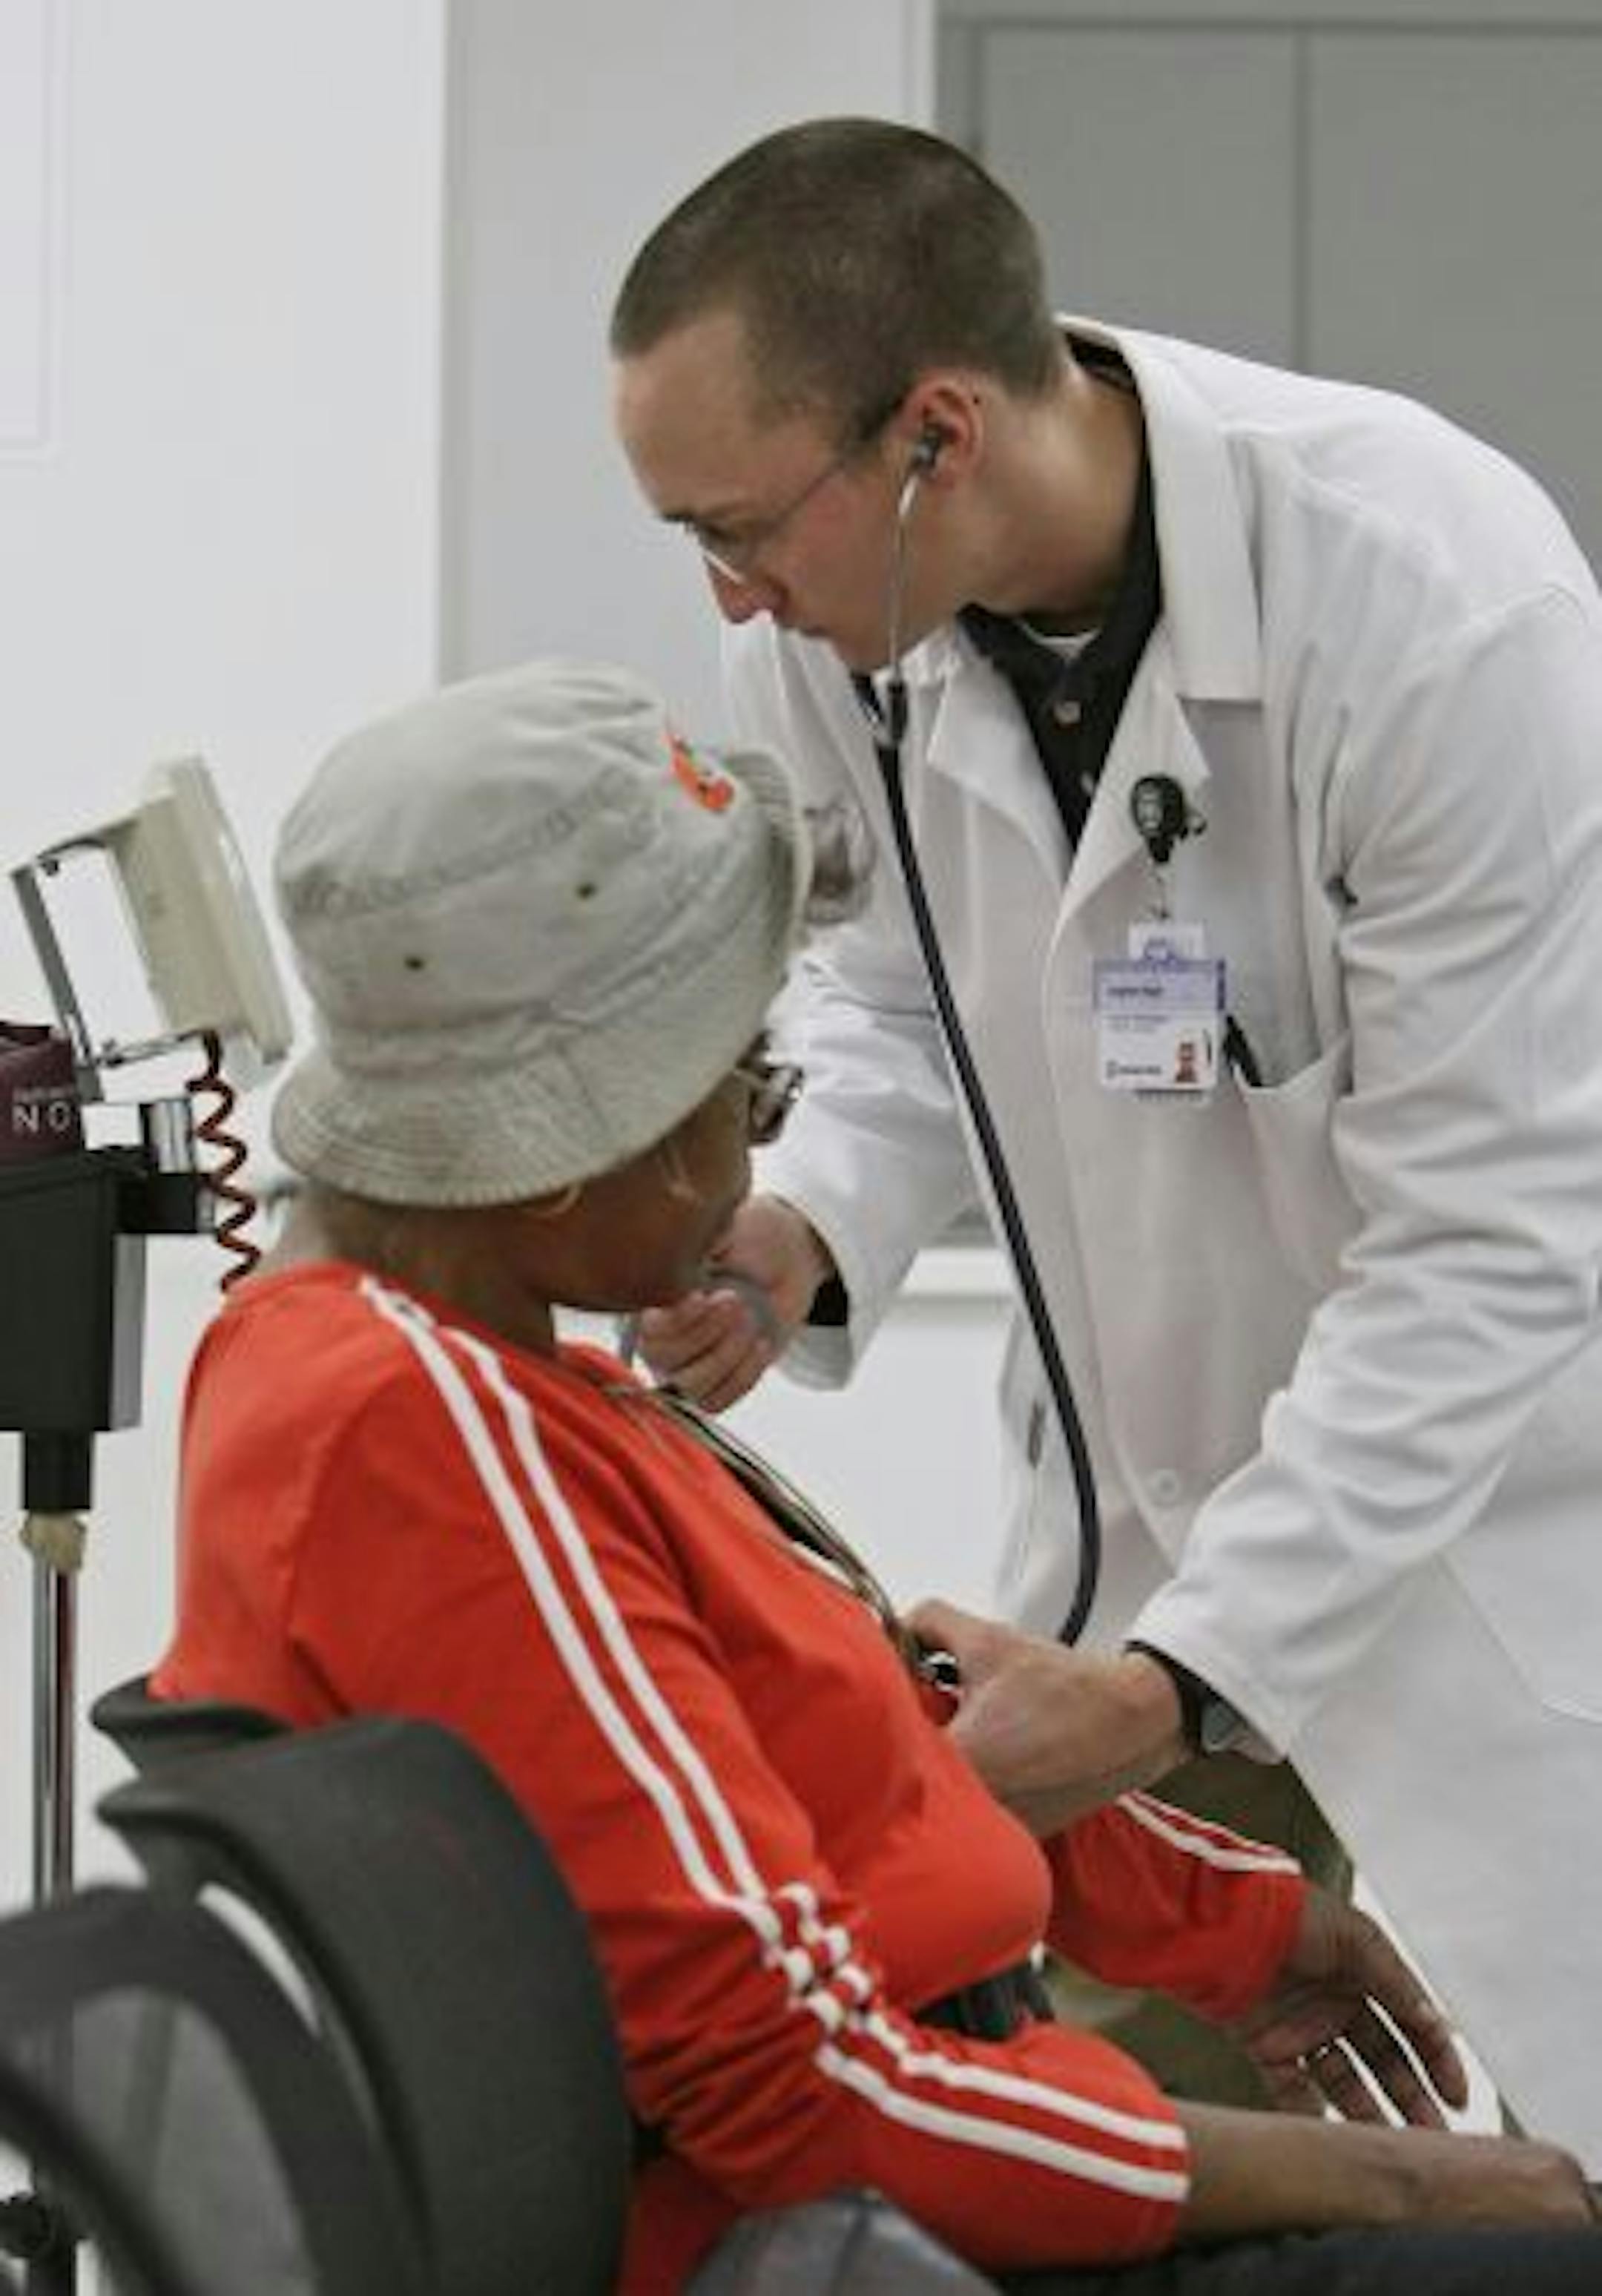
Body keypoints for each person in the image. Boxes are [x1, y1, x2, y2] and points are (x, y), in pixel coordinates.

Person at [152, 659, 1600, 2293]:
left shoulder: (472, 1385)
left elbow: (852, 1765)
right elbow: (807, 2093)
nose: (756, 1155)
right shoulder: (423, 1444)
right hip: (859, 2240)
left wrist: (1244, 1922)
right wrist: (1406, 2179)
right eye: (746, 1091)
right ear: (569, 1149)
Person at [607, 117, 1602, 2155]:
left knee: (1551, 2161)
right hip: (1131, 1573)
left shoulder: (1429, 600)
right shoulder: (834, 643)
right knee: (1129, 2169)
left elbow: (1492, 1242)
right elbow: (896, 999)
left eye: (745, 527)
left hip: (1495, 1552)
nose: (728, 594)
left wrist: (1176, 1684)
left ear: (937, 437)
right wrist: (808, 1223)